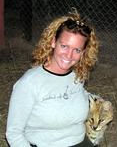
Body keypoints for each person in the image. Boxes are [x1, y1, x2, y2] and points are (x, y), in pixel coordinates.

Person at [6, 8, 99, 147]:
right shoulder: (29, 83)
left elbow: (67, 96)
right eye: (64, 46)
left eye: (77, 50)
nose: (69, 55)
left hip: (79, 142)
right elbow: (13, 133)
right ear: (53, 42)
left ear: (83, 52)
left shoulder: (78, 75)